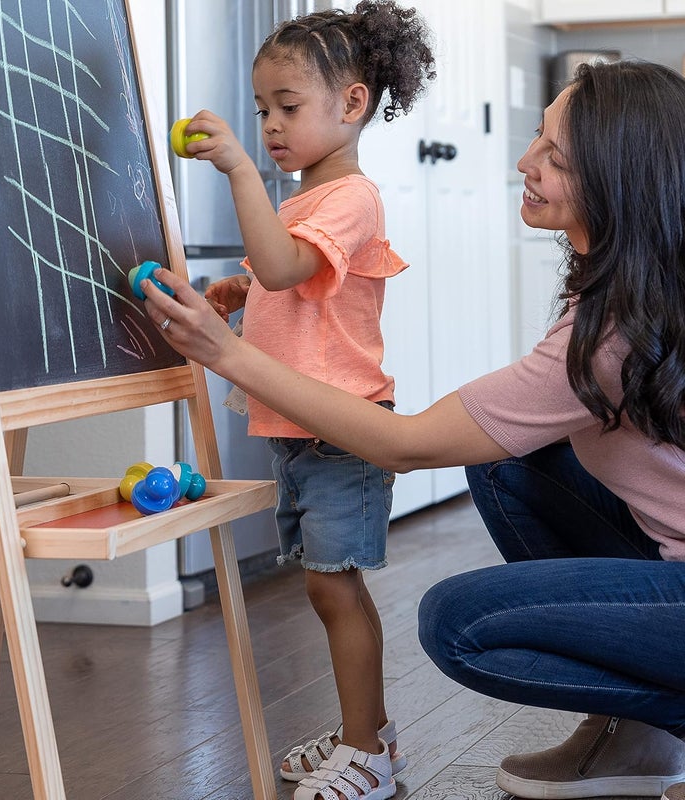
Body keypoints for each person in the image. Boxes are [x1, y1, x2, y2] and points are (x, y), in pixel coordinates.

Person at [143, 58, 685, 800]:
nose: (525, 162)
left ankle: (660, 716)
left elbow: (407, 444)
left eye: (556, 158)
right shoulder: (628, 289)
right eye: (536, 138)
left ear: (620, 180)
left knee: (457, 620)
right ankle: (641, 735)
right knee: (505, 464)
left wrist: (225, 353)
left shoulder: (610, 333)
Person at [170, 3, 435, 799]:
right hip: (301, 433)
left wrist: (241, 172)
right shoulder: (302, 203)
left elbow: (289, 268)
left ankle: (368, 751)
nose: (272, 126)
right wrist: (241, 290)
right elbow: (286, 284)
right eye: (262, 111)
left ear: (352, 105)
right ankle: (371, 732)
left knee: (333, 584)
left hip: (342, 434)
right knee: (326, 584)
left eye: (288, 107)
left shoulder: (350, 196)